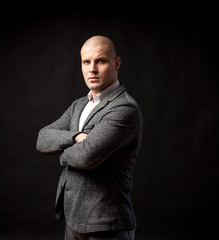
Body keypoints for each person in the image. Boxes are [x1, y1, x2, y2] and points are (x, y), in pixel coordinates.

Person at [36, 35, 143, 240]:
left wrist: (62, 152)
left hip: (107, 224)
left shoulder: (124, 109)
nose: (92, 69)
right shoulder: (79, 105)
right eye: (86, 62)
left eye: (100, 61)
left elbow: (86, 157)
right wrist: (77, 137)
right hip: (74, 219)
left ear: (116, 63)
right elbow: (42, 138)